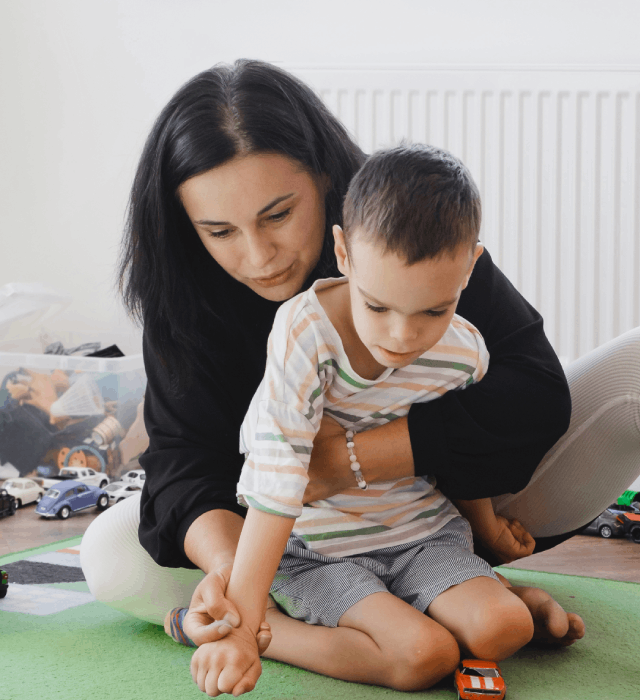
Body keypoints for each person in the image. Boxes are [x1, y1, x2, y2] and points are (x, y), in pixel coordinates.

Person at [80, 58, 638, 689]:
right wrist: (235, 576)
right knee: (109, 556)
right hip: (284, 532)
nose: (258, 257)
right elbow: (184, 463)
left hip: (440, 502)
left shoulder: (402, 234)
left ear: (326, 181)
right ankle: (285, 617)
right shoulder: (191, 298)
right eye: (219, 231)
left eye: (278, 214)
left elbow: (533, 393)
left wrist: (355, 460)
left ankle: (457, 588)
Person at [174, 143, 541, 695]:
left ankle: (453, 600)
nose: (402, 336)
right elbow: (277, 481)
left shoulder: (464, 352)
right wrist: (243, 627)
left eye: (433, 311)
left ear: (469, 267)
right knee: (424, 656)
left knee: (507, 628)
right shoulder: (304, 332)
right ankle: (266, 628)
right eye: (378, 306)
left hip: (421, 534)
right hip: (317, 549)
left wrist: (487, 534)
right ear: (343, 252)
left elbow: (459, 453)